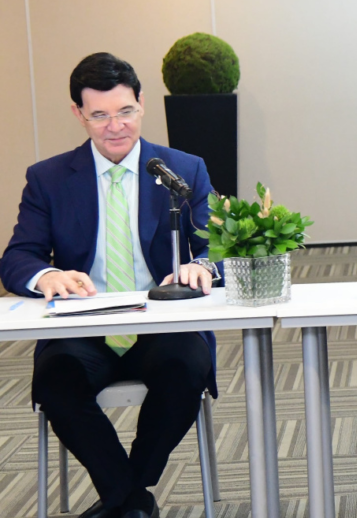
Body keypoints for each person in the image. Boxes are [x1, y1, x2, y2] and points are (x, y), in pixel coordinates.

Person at [0, 53, 221, 518]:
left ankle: (123, 497)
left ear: (141, 104)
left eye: (125, 111)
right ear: (79, 114)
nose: (115, 126)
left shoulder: (184, 169)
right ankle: (133, 501)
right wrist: (48, 275)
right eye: (99, 115)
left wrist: (202, 266)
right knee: (56, 383)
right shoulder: (48, 179)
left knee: (185, 370)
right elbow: (17, 258)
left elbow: (219, 246)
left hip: (163, 324)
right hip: (83, 328)